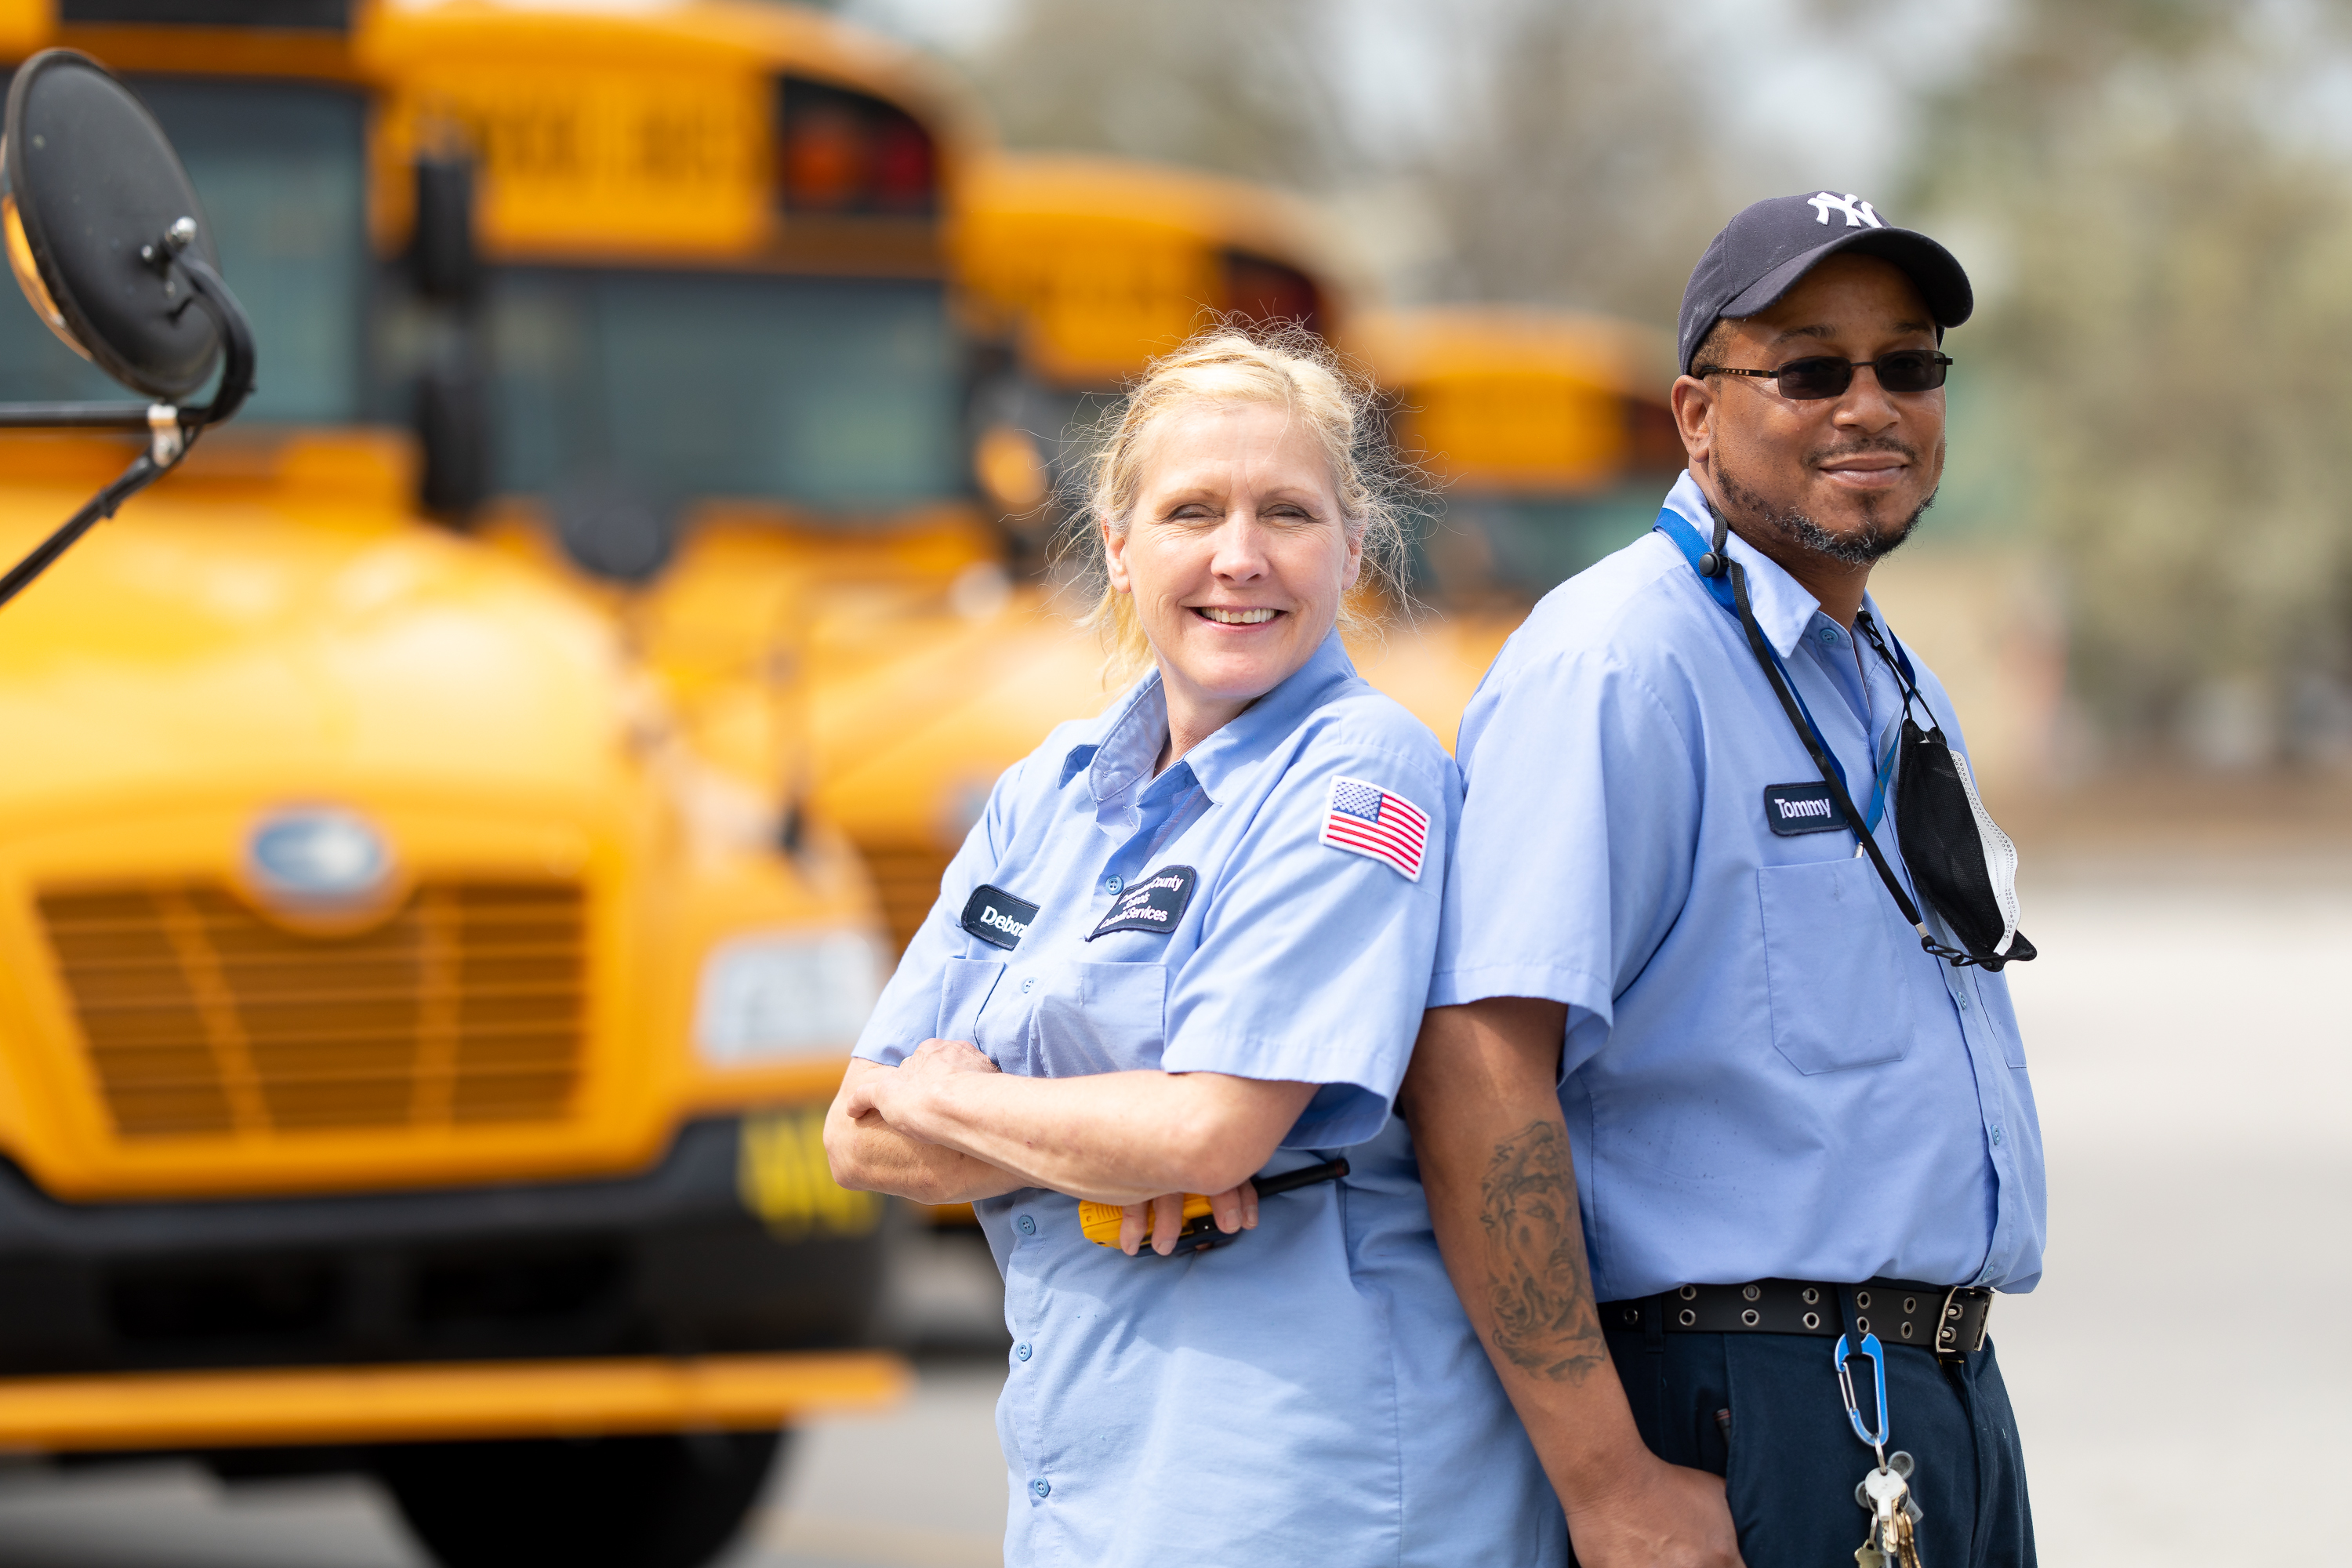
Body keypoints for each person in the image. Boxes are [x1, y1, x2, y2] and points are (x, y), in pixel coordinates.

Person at [826, 327, 1559, 1567]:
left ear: (1355, 549)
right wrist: (1099, 1139)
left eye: (1288, 512)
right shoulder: (1042, 797)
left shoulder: (1359, 773)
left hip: (1303, 1495)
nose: (1239, 557)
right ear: (1116, 549)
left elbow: (1209, 1133)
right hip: (1089, 1483)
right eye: (1190, 512)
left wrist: (962, 1098)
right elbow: (857, 1134)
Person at [1402, 193, 2045, 1568]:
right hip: (1748, 1407)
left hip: (1936, 1401)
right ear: (1697, 416)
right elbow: (1476, 1065)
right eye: (1810, 369)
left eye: (1910, 365)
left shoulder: (1890, 675)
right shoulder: (1620, 663)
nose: (1869, 404)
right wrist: (1608, 1484)